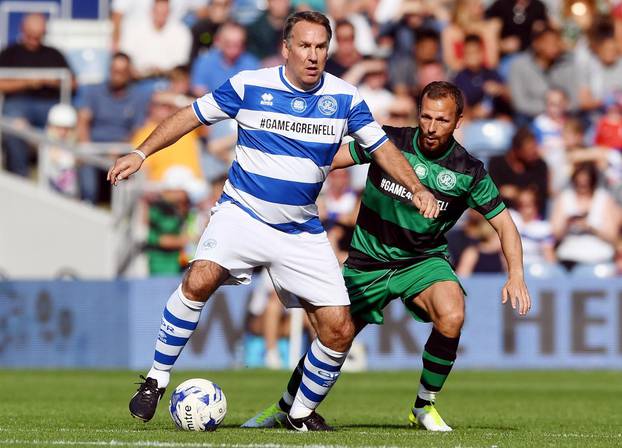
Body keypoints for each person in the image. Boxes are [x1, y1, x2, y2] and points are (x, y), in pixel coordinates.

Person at [107, 11, 439, 431]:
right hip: (242, 215)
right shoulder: (250, 85)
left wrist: (418, 188)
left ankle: (298, 413)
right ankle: (156, 379)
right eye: (304, 45)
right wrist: (140, 154)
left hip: (300, 228)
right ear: (286, 48)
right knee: (199, 277)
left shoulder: (345, 97)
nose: (313, 55)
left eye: (321, 46)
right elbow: (189, 117)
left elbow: (383, 149)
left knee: (338, 330)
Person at [244, 81, 531, 431]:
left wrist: (515, 273)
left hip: (422, 262)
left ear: (458, 121)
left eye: (441, 120)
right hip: (367, 261)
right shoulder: (387, 142)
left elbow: (505, 225)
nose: (430, 126)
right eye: (425, 116)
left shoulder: (469, 171)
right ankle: (285, 406)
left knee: (453, 313)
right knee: (335, 336)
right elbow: (331, 160)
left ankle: (424, 406)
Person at [0, 13, 73, 177]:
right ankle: (20, 176)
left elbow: (72, 82)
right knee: (14, 126)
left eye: (38, 36)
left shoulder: (54, 54)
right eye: (30, 35)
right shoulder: (9, 53)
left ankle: (56, 180)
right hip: (18, 104)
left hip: (48, 105)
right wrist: (27, 83)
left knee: (61, 126)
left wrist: (52, 81)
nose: (34, 40)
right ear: (22, 30)